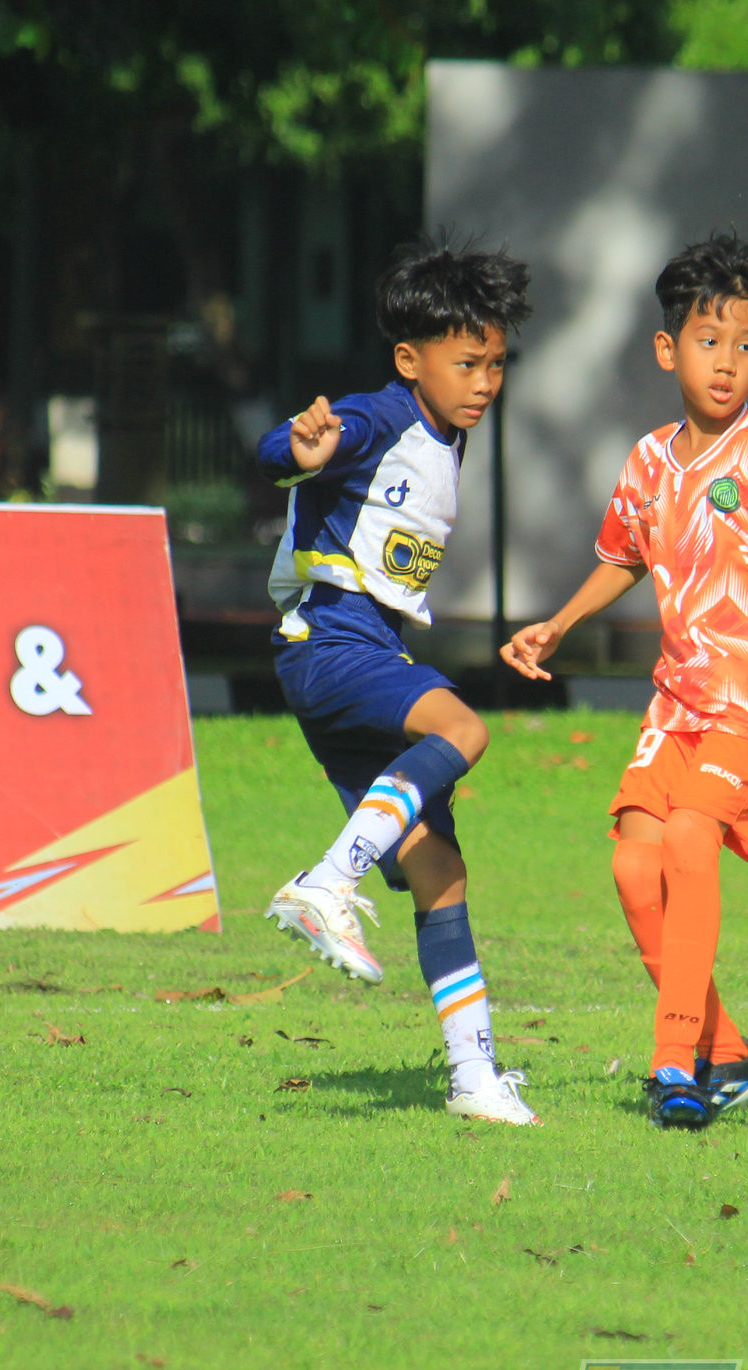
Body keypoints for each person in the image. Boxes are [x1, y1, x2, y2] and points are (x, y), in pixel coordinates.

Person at [501, 233, 748, 1129]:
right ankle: (727, 1049)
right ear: (669, 350)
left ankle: (674, 1061)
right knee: (633, 864)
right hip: (677, 704)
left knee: (691, 837)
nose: (725, 362)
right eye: (708, 341)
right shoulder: (647, 461)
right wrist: (559, 622)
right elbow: (623, 557)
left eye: (745, 345)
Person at [256, 242, 539, 1127]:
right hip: (331, 637)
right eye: (467, 363)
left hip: (361, 645)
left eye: (496, 364)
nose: (484, 382)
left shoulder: (448, 435)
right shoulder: (380, 417)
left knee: (439, 872)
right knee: (463, 730)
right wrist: (300, 444)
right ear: (410, 360)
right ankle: (326, 882)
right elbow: (291, 446)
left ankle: (473, 1076)